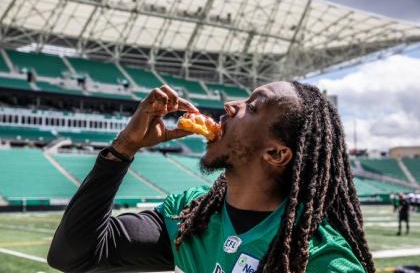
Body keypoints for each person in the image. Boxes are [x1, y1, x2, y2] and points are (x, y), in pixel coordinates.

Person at [48, 82, 375, 272]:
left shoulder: (321, 260)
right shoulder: (190, 215)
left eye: (254, 106)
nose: (231, 105)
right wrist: (124, 148)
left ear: (276, 154)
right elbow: (73, 255)